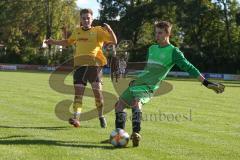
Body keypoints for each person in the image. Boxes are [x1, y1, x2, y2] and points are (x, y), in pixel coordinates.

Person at [113, 21, 225, 147]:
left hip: (149, 86)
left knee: (137, 102)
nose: (157, 36)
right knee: (119, 105)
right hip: (137, 82)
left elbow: (189, 68)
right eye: (156, 33)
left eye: (160, 33)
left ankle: (136, 133)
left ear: (168, 34)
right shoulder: (152, 48)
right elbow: (148, 67)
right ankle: (119, 135)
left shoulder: (174, 52)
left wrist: (206, 83)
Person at [45, 8, 117, 128]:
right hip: (79, 66)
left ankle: (100, 116)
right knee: (78, 95)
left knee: (98, 94)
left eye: (88, 18)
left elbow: (114, 41)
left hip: (94, 67)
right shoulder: (77, 31)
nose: (86, 20)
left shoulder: (98, 31)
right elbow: (68, 42)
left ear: (92, 19)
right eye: (84, 18)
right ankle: (76, 118)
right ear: (81, 19)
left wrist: (110, 30)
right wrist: (53, 42)